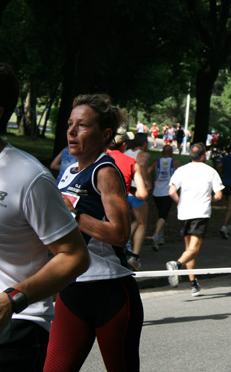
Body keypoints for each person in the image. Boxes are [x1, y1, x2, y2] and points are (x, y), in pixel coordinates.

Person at [0, 63, 89, 372]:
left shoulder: (28, 177)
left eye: (82, 126)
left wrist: (12, 300)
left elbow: (76, 256)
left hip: (16, 327)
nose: (72, 132)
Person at [45, 94, 143, 371]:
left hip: (109, 291)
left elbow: (119, 234)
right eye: (70, 124)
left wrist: (73, 215)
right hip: (71, 287)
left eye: (83, 125)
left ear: (105, 134)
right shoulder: (68, 172)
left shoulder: (105, 171)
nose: (72, 131)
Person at [166, 143, 224, 296]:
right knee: (194, 250)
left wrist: (179, 202)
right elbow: (219, 195)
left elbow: (171, 191)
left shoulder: (181, 170)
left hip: (184, 213)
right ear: (203, 156)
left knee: (189, 250)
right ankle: (176, 264)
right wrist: (209, 199)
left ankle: (193, 283)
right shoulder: (210, 171)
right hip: (200, 213)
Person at [124, 133, 152, 270]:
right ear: (144, 144)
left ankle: (124, 244)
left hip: (125, 190)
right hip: (137, 189)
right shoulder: (143, 154)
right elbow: (141, 164)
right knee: (142, 223)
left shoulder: (126, 152)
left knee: (134, 220)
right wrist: (147, 181)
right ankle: (134, 256)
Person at [148, 144, 180, 250]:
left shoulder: (156, 162)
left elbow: (147, 171)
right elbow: (180, 175)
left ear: (162, 152)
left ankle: (161, 237)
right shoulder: (175, 162)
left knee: (161, 214)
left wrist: (149, 181)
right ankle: (156, 235)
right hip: (168, 192)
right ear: (171, 153)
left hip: (156, 192)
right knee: (163, 216)